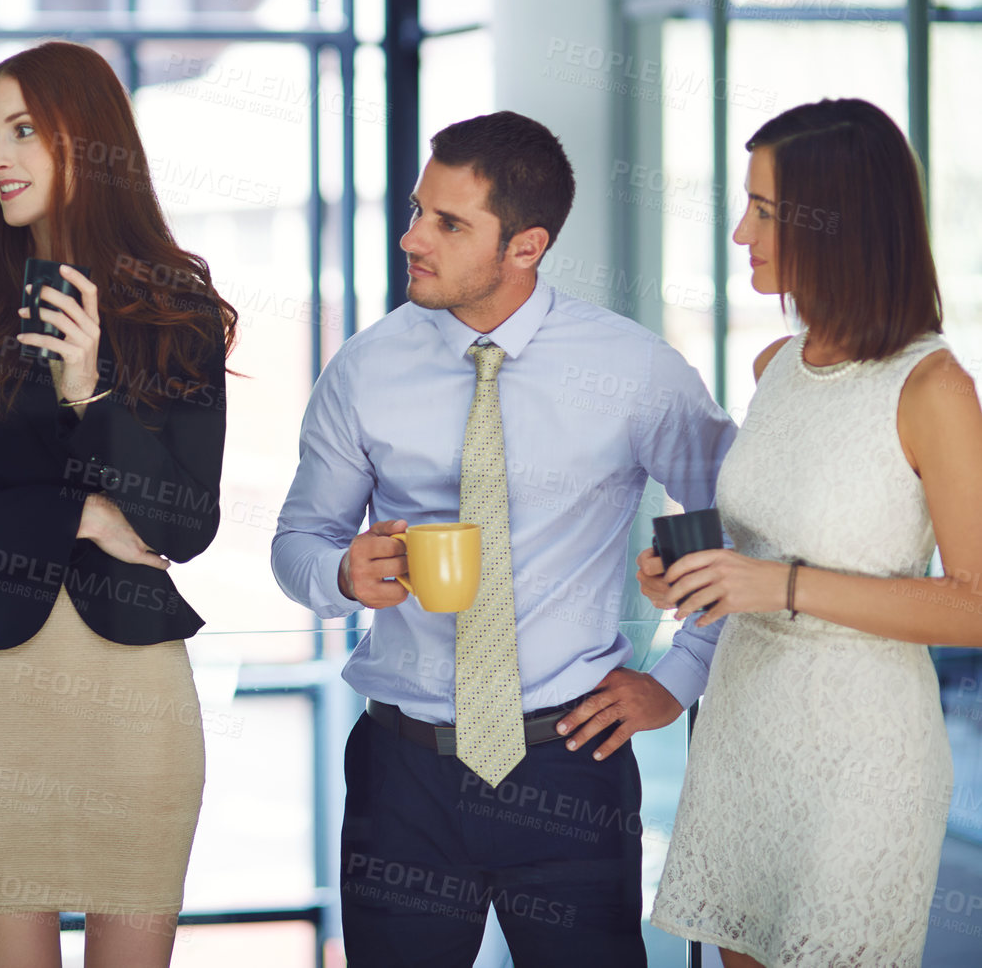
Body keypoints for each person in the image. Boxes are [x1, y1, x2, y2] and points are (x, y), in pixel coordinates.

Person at [272, 111, 739, 967]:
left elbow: (725, 521)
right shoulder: (365, 368)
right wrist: (341, 571)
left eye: (449, 223)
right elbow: (298, 538)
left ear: (525, 246)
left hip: (571, 765)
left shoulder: (631, 369)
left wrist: (677, 677)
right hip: (400, 774)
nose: (412, 237)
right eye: (417, 210)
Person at [0, 41, 236, 968]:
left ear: (90, 140)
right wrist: (79, 517)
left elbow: (183, 525)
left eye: (26, 131)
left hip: (136, 699)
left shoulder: (181, 309)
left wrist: (89, 388)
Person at [646, 98, 982, 967]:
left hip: (863, 764)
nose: (737, 233)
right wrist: (697, 575)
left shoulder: (933, 387)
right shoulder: (774, 367)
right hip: (744, 736)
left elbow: (975, 606)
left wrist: (776, 584)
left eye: (761, 211)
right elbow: (764, 546)